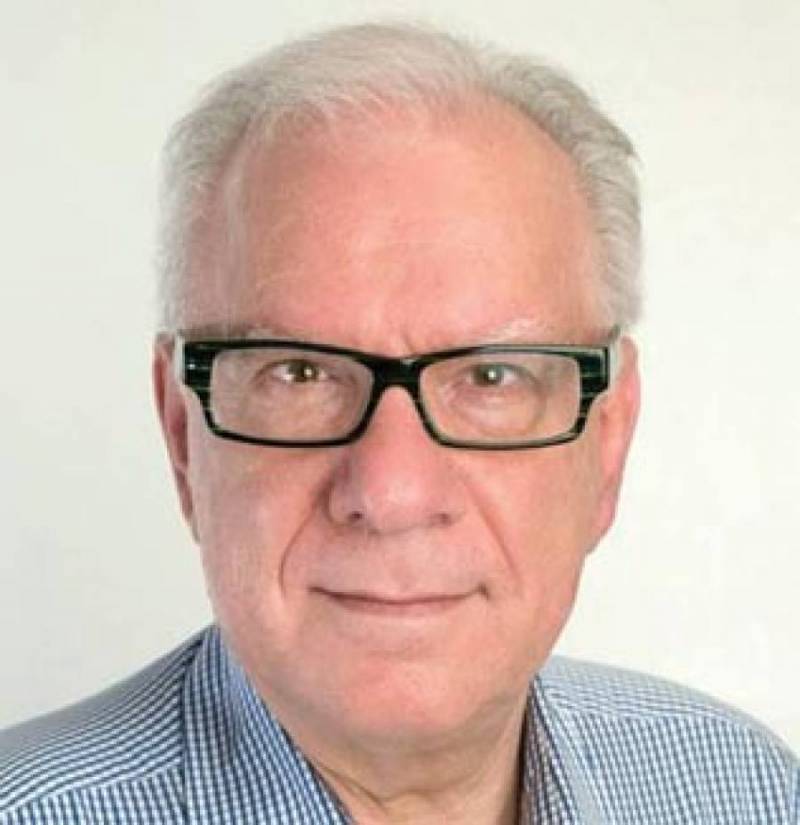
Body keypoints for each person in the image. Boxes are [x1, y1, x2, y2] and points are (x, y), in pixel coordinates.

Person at [0, 21, 797, 825]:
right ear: (182, 436)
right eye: (299, 373)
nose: (391, 492)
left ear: (610, 441)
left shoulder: (745, 789)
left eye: (491, 376)